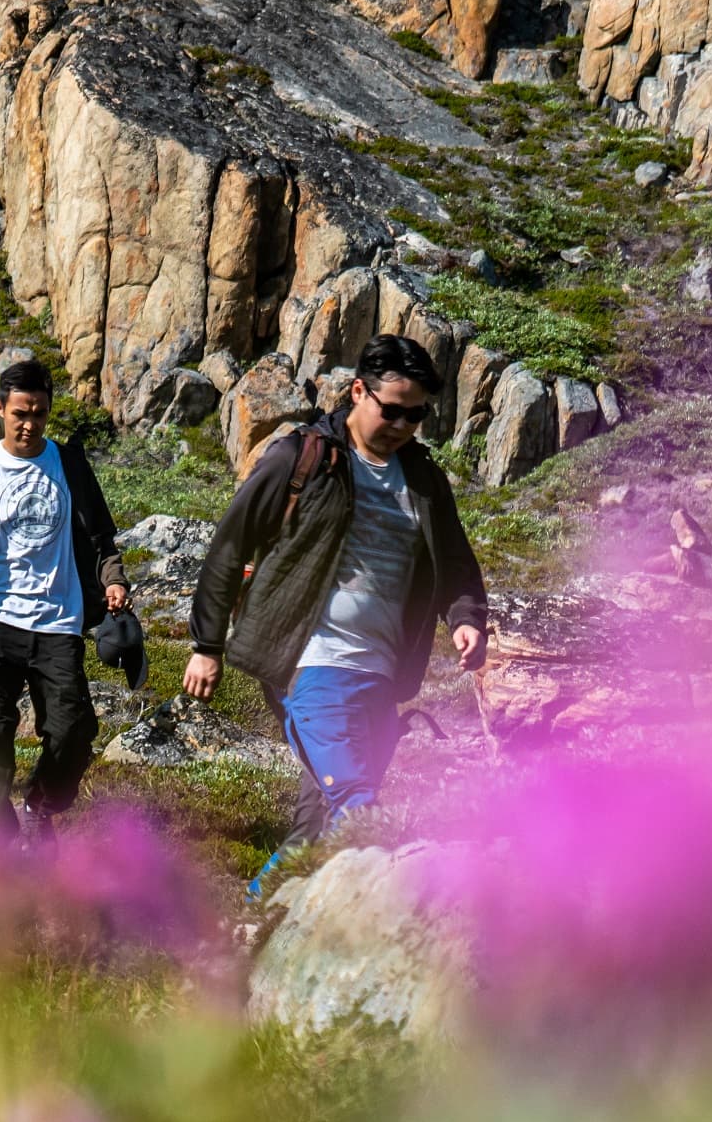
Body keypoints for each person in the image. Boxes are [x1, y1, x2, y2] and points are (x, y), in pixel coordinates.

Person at [183, 334, 488, 896]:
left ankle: (255, 914)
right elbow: (230, 546)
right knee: (359, 806)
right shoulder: (303, 458)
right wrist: (207, 645)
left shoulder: (424, 479)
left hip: (381, 675)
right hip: (313, 663)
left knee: (322, 825)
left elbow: (456, 565)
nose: (402, 425)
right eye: (391, 410)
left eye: (415, 415)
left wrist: (466, 618)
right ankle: (401, 919)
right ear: (358, 392)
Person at [0, 359, 130, 843]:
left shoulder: (70, 466)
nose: (29, 424)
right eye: (19, 414)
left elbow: (101, 540)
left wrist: (113, 581)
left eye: (39, 414)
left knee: (73, 731)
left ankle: (40, 804)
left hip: (58, 623)